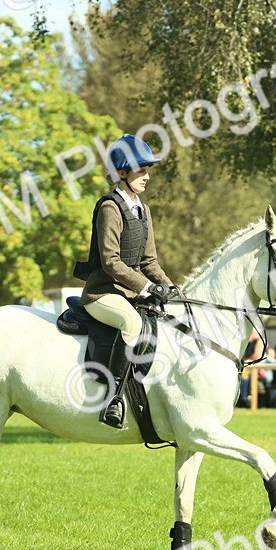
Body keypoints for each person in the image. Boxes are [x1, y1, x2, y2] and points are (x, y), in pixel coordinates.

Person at [75, 133, 178, 428]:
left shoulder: (142, 210)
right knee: (131, 324)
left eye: (148, 171)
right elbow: (110, 262)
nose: (147, 177)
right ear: (122, 172)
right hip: (101, 293)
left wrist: (171, 289)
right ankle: (113, 400)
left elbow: (149, 262)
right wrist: (146, 287)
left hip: (129, 294)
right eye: (141, 170)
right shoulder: (110, 207)